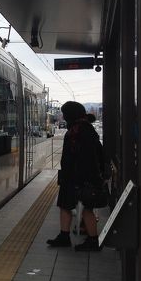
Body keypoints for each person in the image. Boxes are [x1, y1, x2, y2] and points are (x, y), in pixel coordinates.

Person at [47, 101, 104, 251]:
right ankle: (91, 240)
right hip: (85, 176)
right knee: (86, 208)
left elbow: (73, 157)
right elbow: (98, 153)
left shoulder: (76, 131)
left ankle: (69, 237)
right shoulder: (87, 129)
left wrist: (71, 175)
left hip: (75, 176)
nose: (64, 117)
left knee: (66, 205)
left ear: (70, 115)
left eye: (65, 114)